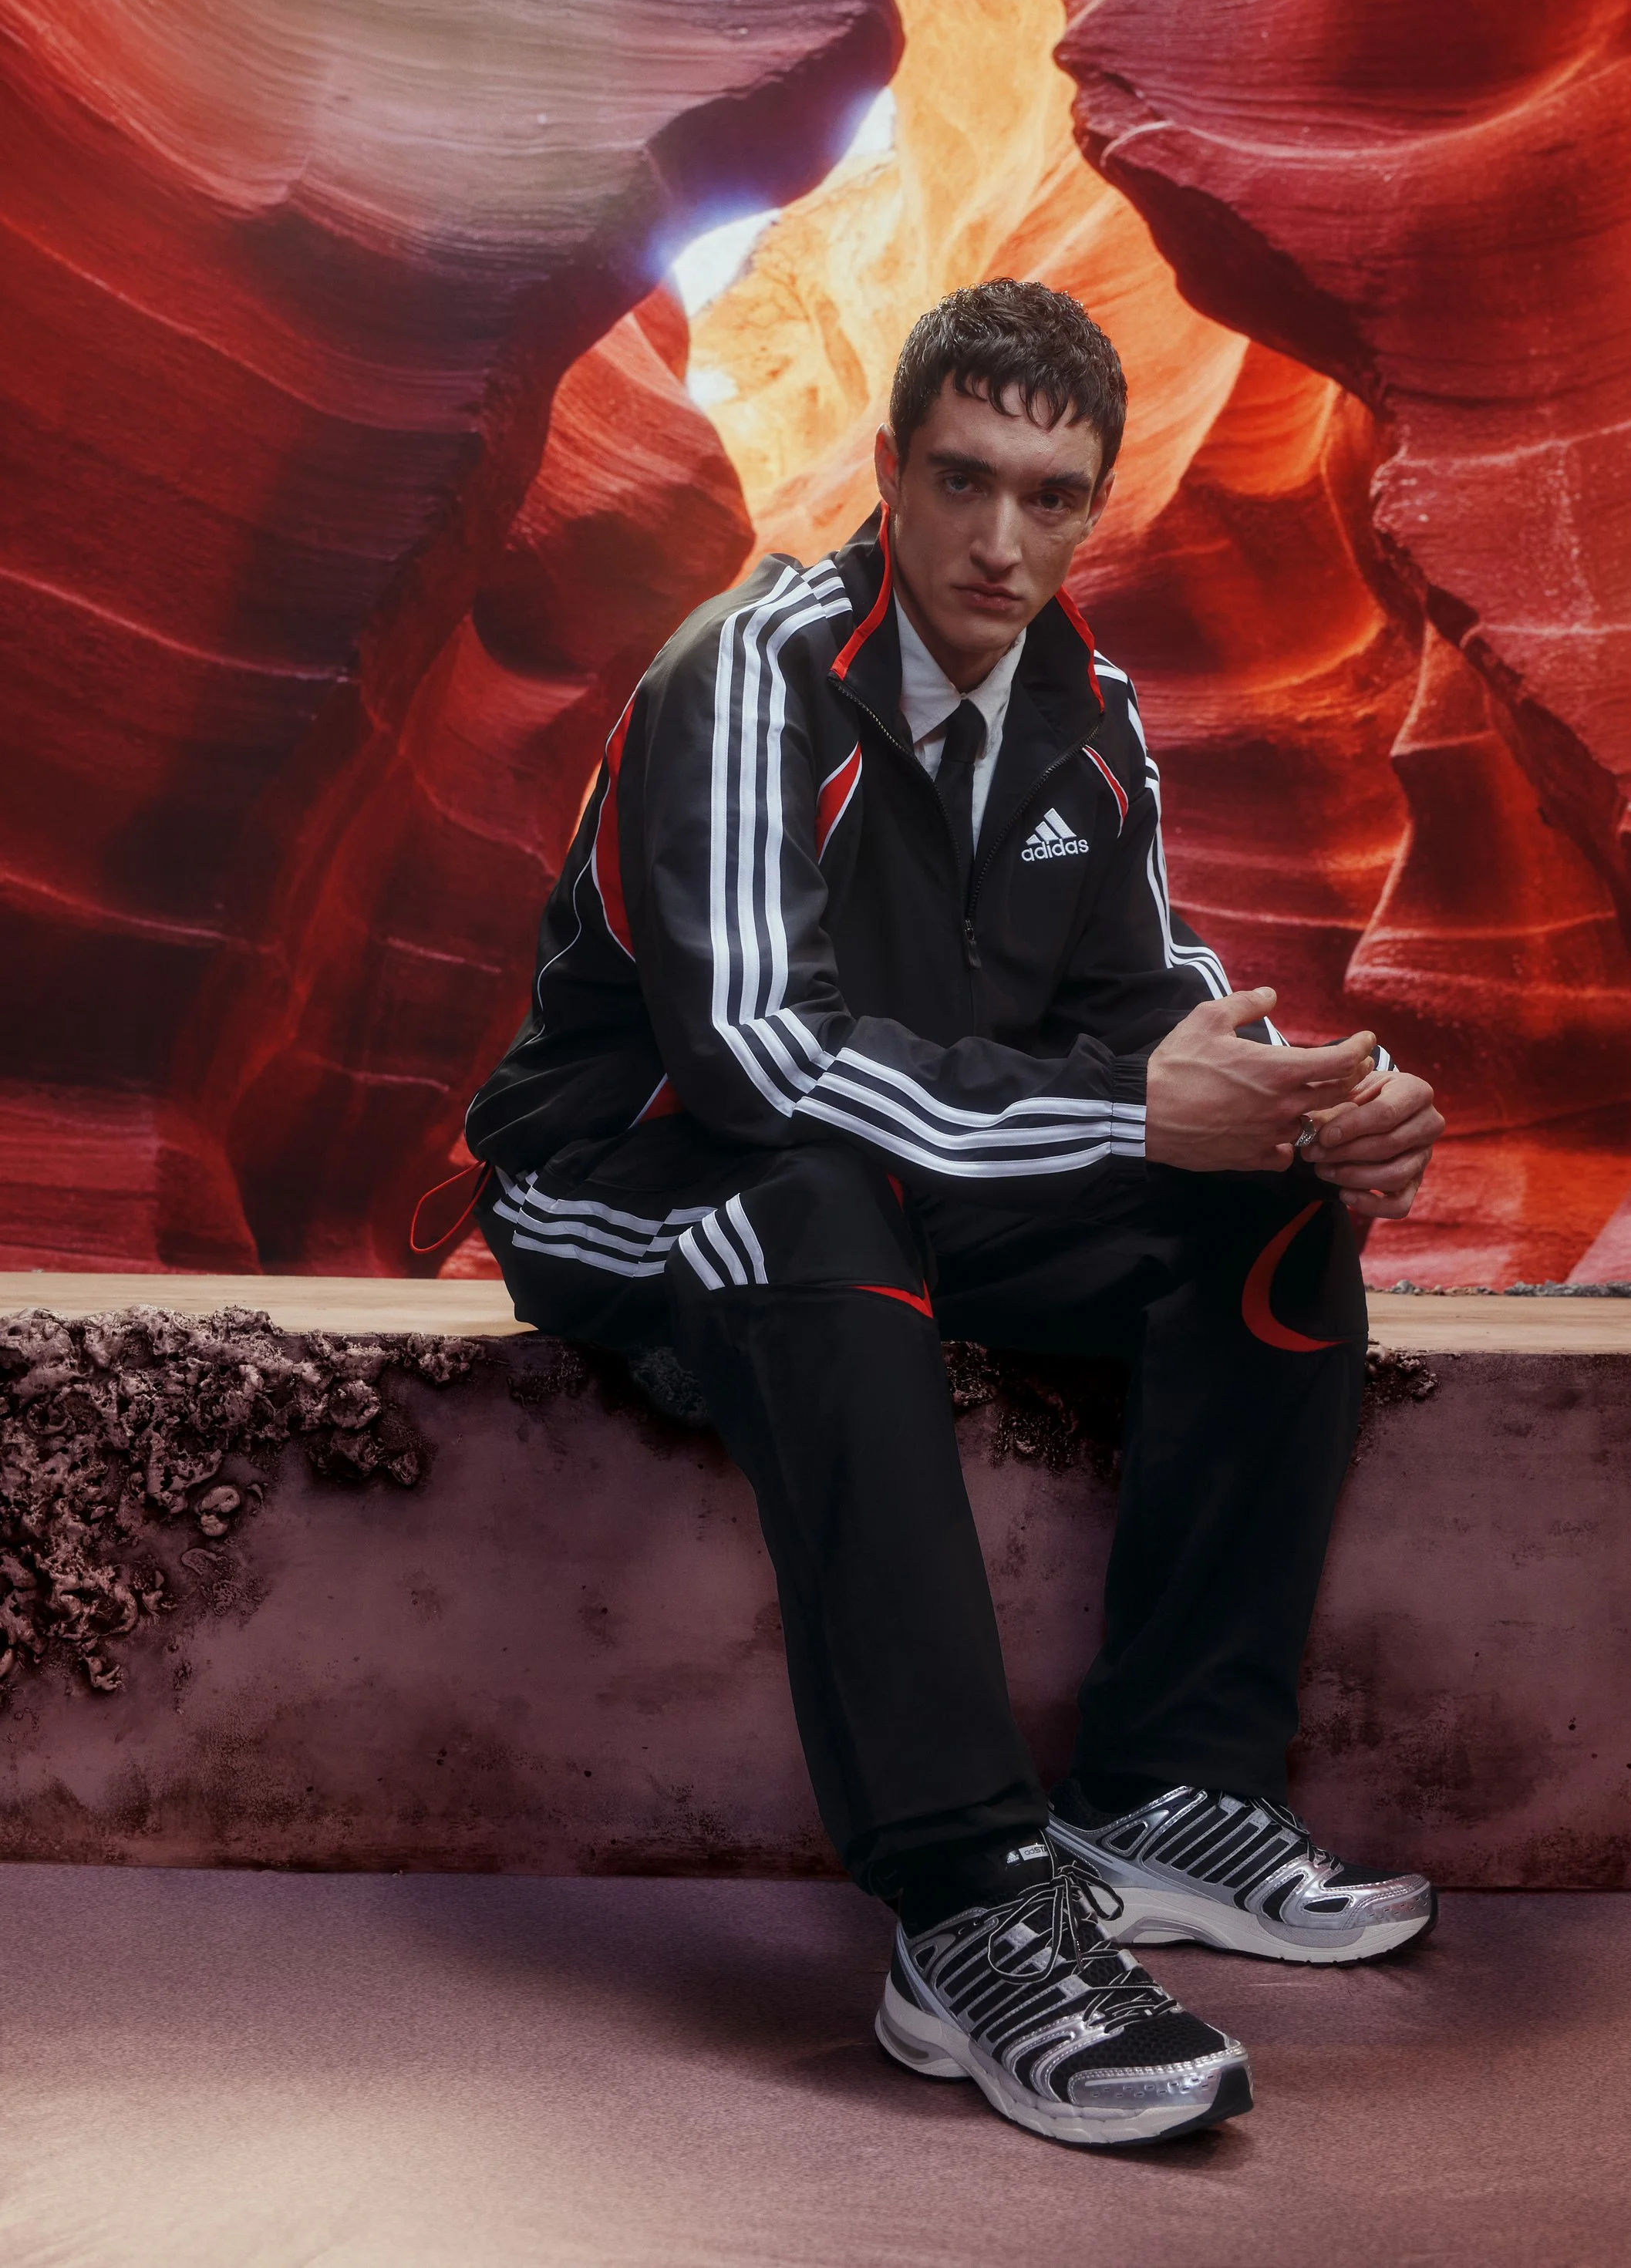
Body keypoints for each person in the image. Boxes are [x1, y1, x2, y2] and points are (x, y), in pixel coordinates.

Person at [465, 278, 1446, 2149]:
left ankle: (1163, 1788)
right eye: (962, 480)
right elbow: (757, 1063)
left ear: (1093, 509)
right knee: (811, 1208)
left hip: (905, 1168)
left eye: (1049, 496)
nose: (1002, 540)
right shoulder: (745, 674)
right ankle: (967, 1902)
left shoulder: (1087, 711)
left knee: (1268, 1213)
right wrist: (1131, 1111)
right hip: (630, 1179)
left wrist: (1316, 1106)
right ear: (889, 472)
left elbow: (1153, 1008)